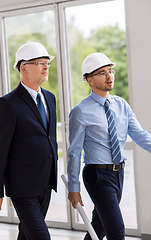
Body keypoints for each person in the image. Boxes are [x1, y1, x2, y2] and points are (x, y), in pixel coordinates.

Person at [67, 53, 151, 240]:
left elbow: (140, 135)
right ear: (89, 80)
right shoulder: (80, 111)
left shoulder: (121, 105)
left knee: (99, 227)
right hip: (97, 176)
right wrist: (73, 186)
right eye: (102, 73)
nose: (109, 76)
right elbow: (74, 152)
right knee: (116, 229)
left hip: (118, 173)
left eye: (110, 71)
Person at [0, 42, 58, 240]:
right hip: (22, 185)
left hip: (45, 181)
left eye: (47, 63)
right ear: (24, 67)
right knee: (41, 237)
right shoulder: (7, 104)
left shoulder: (50, 98)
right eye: (40, 63)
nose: (46, 67)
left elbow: (48, 138)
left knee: (27, 235)